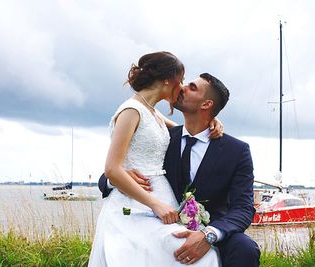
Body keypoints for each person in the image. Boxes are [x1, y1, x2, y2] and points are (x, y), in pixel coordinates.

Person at [99, 72, 261, 266]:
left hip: (212, 226)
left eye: (192, 87)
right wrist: (117, 178)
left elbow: (243, 208)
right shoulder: (164, 139)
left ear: (206, 104)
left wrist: (209, 234)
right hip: (162, 223)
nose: (181, 87)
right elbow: (109, 175)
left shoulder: (237, 151)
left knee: (245, 248)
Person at [89, 51, 221, 266]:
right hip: (135, 205)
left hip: (162, 199)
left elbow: (185, 130)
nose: (183, 86)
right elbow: (112, 169)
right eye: (182, 79)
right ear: (169, 79)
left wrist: (212, 122)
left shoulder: (151, 112)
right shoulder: (131, 111)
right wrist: (155, 205)